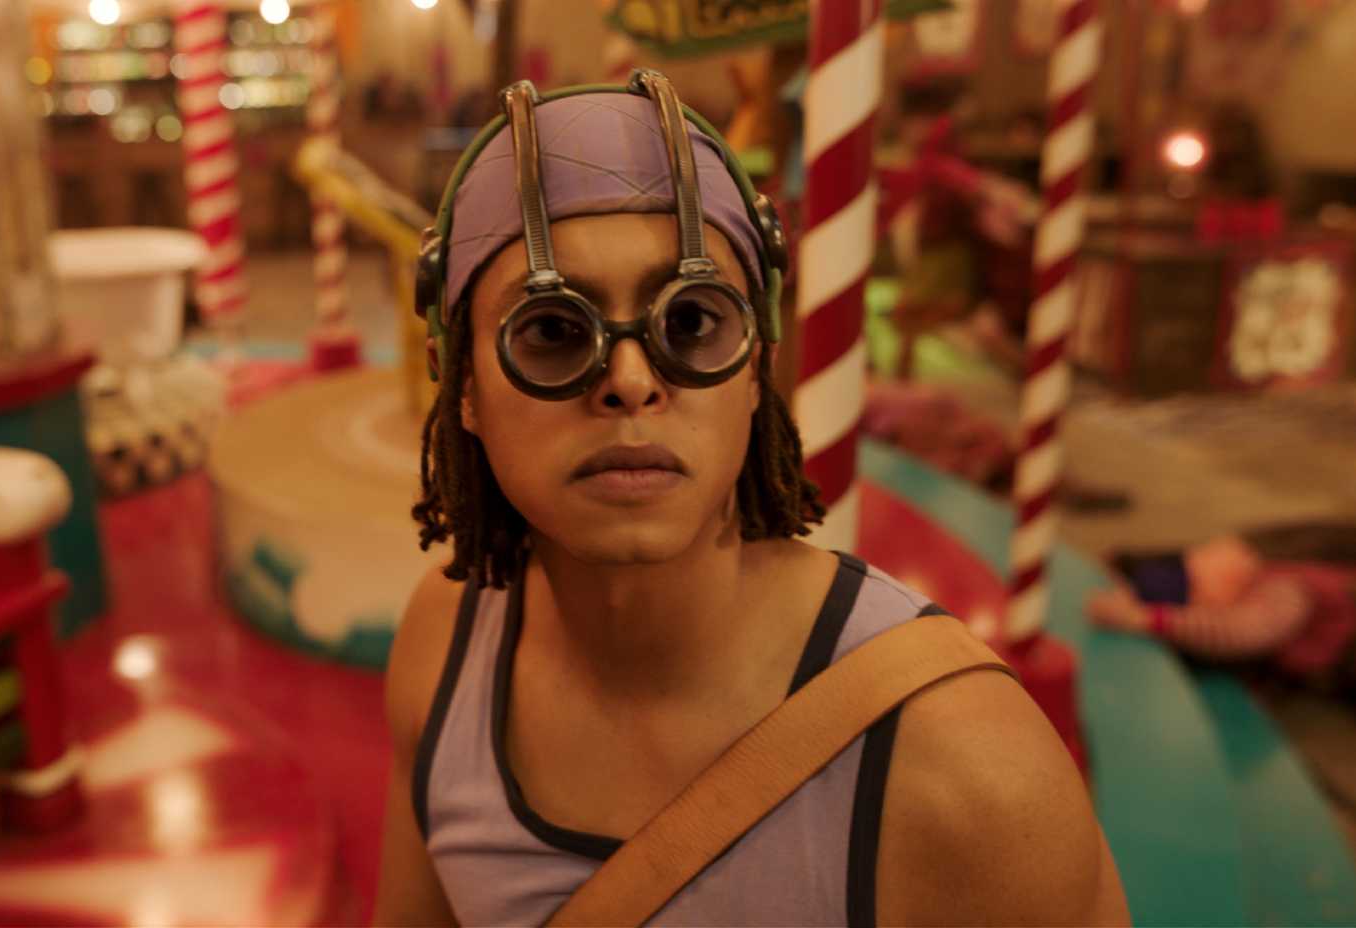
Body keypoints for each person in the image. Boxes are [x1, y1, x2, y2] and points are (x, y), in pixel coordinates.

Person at [375, 71, 1128, 926]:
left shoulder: (968, 772)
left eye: (692, 323)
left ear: (755, 368)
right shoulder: (447, 649)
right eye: (552, 331)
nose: (630, 379)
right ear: (461, 386)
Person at [1089, 532, 1356, 700]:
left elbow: (1235, 633)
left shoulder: (1290, 594)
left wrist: (1146, 619)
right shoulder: (1287, 574)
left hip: (1279, 661)